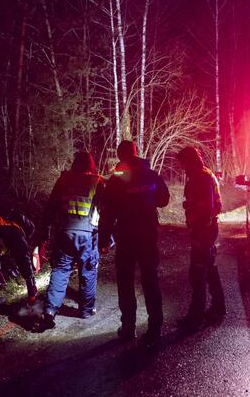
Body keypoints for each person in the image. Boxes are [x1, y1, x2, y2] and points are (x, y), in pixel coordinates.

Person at [99, 140, 169, 348]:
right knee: (150, 280)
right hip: (147, 235)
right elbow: (164, 199)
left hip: (127, 236)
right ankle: (155, 327)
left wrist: (103, 239)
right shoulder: (151, 174)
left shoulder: (116, 181)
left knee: (125, 282)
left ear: (121, 156)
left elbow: (107, 213)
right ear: (136, 153)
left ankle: (128, 328)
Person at [40, 151, 106, 326]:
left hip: (65, 233)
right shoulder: (98, 182)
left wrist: (43, 230)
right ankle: (85, 310)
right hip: (89, 235)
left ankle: (50, 310)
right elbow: (106, 210)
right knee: (88, 271)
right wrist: (108, 236)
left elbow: (51, 206)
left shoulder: (64, 180)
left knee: (61, 270)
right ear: (91, 165)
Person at [175, 146, 226, 330]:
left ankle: (195, 318)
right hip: (208, 229)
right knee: (210, 269)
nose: (182, 167)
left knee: (197, 274)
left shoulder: (200, 178)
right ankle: (218, 308)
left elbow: (205, 208)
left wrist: (197, 234)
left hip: (203, 231)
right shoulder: (206, 175)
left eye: (183, 163)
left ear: (189, 161)